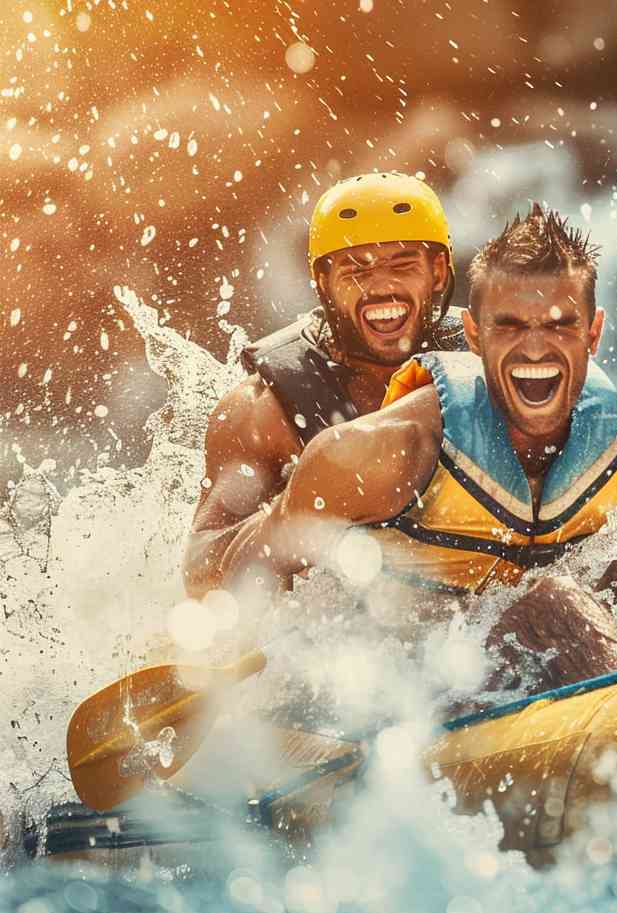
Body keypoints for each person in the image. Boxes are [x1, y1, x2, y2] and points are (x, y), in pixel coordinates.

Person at [223, 204, 617, 690]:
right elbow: (232, 577)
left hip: (564, 652)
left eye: (560, 325)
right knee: (550, 605)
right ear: (474, 338)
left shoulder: (609, 438)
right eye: (512, 326)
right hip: (418, 675)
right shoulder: (372, 453)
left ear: (593, 335)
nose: (537, 347)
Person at [183, 172, 467, 596]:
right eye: (356, 270)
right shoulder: (264, 411)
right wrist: (301, 513)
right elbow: (200, 568)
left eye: (403, 265)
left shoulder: (489, 359)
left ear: (439, 272)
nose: (382, 287)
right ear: (322, 282)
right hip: (340, 630)